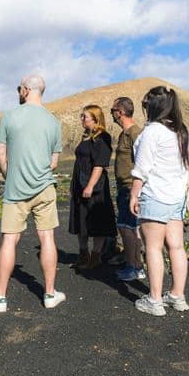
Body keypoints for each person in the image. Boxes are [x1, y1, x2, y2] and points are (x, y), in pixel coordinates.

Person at [0, 75, 66, 313]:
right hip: (44, 188)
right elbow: (53, 162)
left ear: (27, 89)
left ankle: (0, 298)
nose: (18, 91)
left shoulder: (9, 116)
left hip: (15, 189)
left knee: (10, 240)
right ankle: (50, 294)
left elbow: (0, 155)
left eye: (19, 87)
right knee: (47, 237)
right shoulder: (53, 122)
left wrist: (10, 176)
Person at [130, 86, 189, 316]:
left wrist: (134, 194)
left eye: (145, 104)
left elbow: (142, 168)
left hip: (155, 195)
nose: (144, 108)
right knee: (176, 247)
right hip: (176, 197)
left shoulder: (153, 131)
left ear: (153, 106)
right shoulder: (182, 131)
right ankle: (177, 295)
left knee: (153, 248)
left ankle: (155, 300)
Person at [68, 105, 117, 270]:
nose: (81, 119)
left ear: (95, 118)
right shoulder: (86, 136)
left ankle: (95, 257)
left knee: (97, 220)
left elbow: (99, 164)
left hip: (94, 186)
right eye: (81, 116)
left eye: (84, 117)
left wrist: (90, 186)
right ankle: (83, 255)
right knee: (81, 219)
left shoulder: (102, 137)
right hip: (80, 183)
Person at [111, 97, 145, 281]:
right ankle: (136, 265)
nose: (112, 114)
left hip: (130, 188)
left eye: (113, 110)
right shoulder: (125, 134)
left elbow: (142, 161)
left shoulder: (134, 133)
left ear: (120, 112)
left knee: (127, 228)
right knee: (131, 228)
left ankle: (132, 267)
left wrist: (136, 190)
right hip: (125, 186)